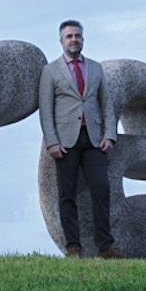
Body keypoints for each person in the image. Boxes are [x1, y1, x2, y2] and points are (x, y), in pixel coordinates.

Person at [40, 19, 119, 258]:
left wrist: (110, 135)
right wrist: (52, 141)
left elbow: (106, 104)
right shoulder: (50, 71)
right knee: (67, 194)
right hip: (65, 141)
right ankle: (73, 247)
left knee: (102, 189)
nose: (74, 40)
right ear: (61, 41)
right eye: (69, 36)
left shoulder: (95, 68)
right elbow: (46, 109)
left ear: (83, 39)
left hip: (94, 138)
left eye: (77, 36)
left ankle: (105, 247)